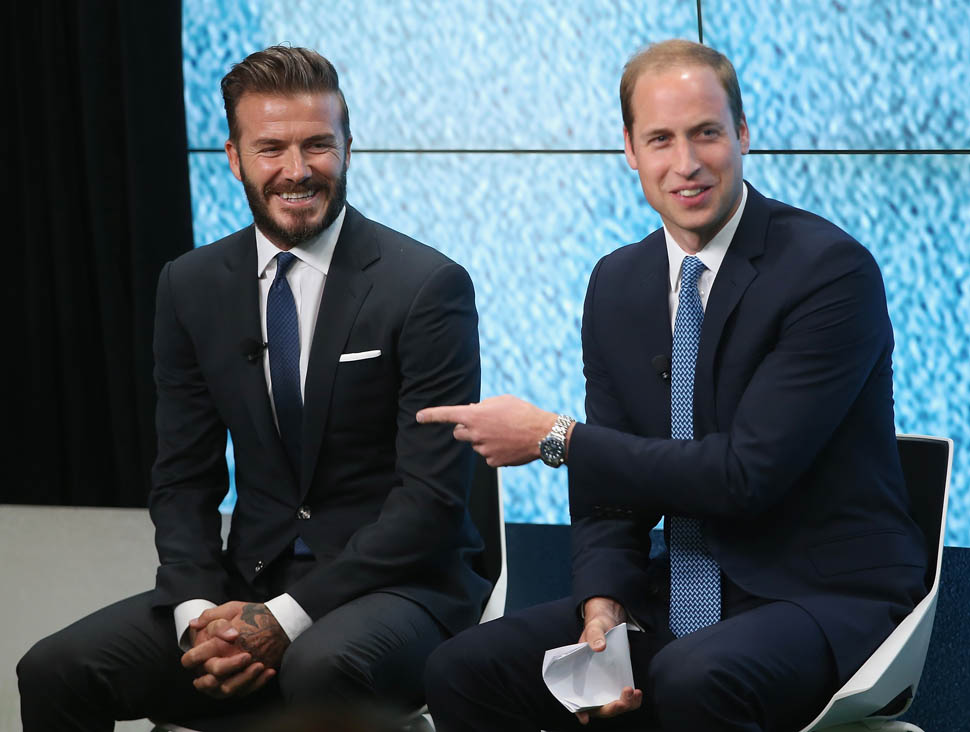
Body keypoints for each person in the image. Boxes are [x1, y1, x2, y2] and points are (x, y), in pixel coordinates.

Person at [418, 39, 927, 732]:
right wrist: (603, 605)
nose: (685, 163)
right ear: (630, 150)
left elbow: (744, 475)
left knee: (691, 677)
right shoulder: (616, 282)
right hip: (682, 589)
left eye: (706, 134)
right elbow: (609, 497)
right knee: (464, 669)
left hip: (826, 592)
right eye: (660, 139)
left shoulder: (830, 271)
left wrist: (555, 438)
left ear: (743, 134)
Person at [18, 46, 489, 730]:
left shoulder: (425, 287)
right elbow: (183, 479)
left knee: (318, 667)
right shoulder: (189, 285)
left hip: (402, 588)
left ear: (348, 149)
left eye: (317, 145)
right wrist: (196, 614)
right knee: (54, 669)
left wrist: (283, 621)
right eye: (271, 148)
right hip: (251, 583)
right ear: (235, 159)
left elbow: (432, 503)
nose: (297, 170)